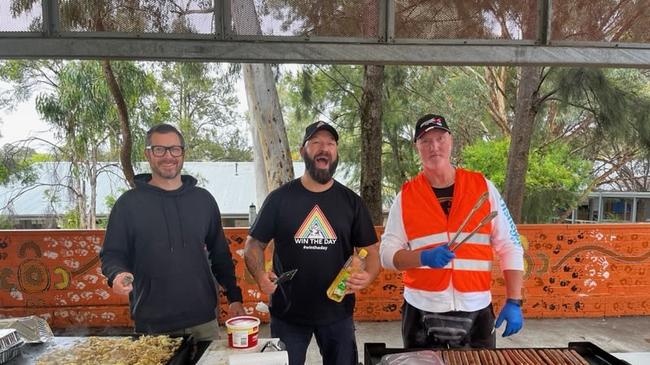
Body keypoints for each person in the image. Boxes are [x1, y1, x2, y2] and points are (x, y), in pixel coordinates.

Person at [379, 114, 524, 349]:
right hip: (421, 310)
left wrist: (514, 301)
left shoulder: (483, 188)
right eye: (425, 141)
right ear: (417, 147)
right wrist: (422, 257)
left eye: (440, 138)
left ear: (451, 141)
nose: (434, 147)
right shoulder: (406, 196)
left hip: (476, 309)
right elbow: (386, 254)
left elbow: (510, 244)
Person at [244, 121, 380, 365]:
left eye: (330, 143)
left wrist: (368, 276)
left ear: (336, 153)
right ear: (303, 151)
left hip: (338, 314)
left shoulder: (351, 202)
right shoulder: (279, 199)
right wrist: (259, 276)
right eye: (316, 142)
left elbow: (371, 251)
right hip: (288, 314)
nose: (324, 148)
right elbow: (253, 245)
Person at [100, 123, 245, 341]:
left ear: (183, 153)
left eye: (175, 149)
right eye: (160, 149)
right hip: (153, 324)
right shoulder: (128, 204)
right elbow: (112, 254)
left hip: (203, 321)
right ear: (147, 154)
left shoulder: (203, 200)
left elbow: (220, 254)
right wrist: (117, 274)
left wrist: (235, 297)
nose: (168, 156)